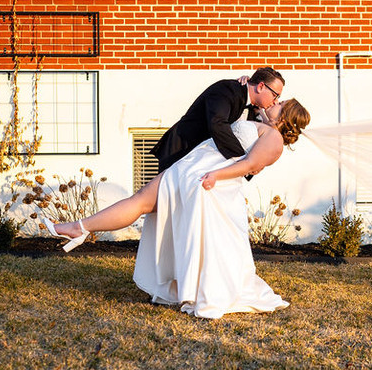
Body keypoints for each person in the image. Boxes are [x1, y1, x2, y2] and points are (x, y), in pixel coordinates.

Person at [45, 99, 311, 317]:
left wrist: (215, 175)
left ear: (284, 118)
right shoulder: (260, 121)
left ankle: (78, 228)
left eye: (281, 103)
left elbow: (250, 164)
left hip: (204, 178)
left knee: (146, 205)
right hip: (191, 169)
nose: (276, 101)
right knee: (141, 202)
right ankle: (79, 228)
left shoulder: (274, 138)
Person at [151, 67, 285, 172]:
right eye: (275, 95)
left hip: (203, 165)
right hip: (181, 152)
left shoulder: (251, 108)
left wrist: (253, 164)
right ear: (261, 86)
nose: (275, 101)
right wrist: (243, 161)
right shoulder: (228, 90)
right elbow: (217, 123)